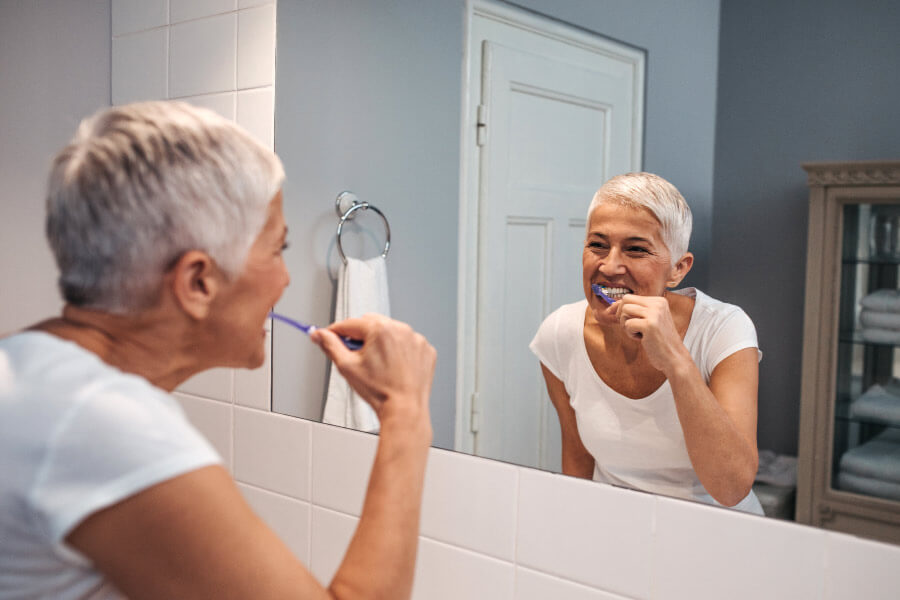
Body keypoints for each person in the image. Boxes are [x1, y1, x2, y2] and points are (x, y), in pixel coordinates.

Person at [0, 101, 436, 599]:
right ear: (198, 281)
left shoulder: (28, 367)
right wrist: (405, 412)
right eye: (278, 249)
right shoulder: (102, 425)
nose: (286, 278)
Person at [530, 172, 763, 514]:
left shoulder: (724, 329)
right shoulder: (559, 334)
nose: (609, 267)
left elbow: (732, 488)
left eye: (636, 249)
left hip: (719, 533)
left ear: (678, 269)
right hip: (620, 531)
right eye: (597, 245)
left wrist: (676, 361)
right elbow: (578, 460)